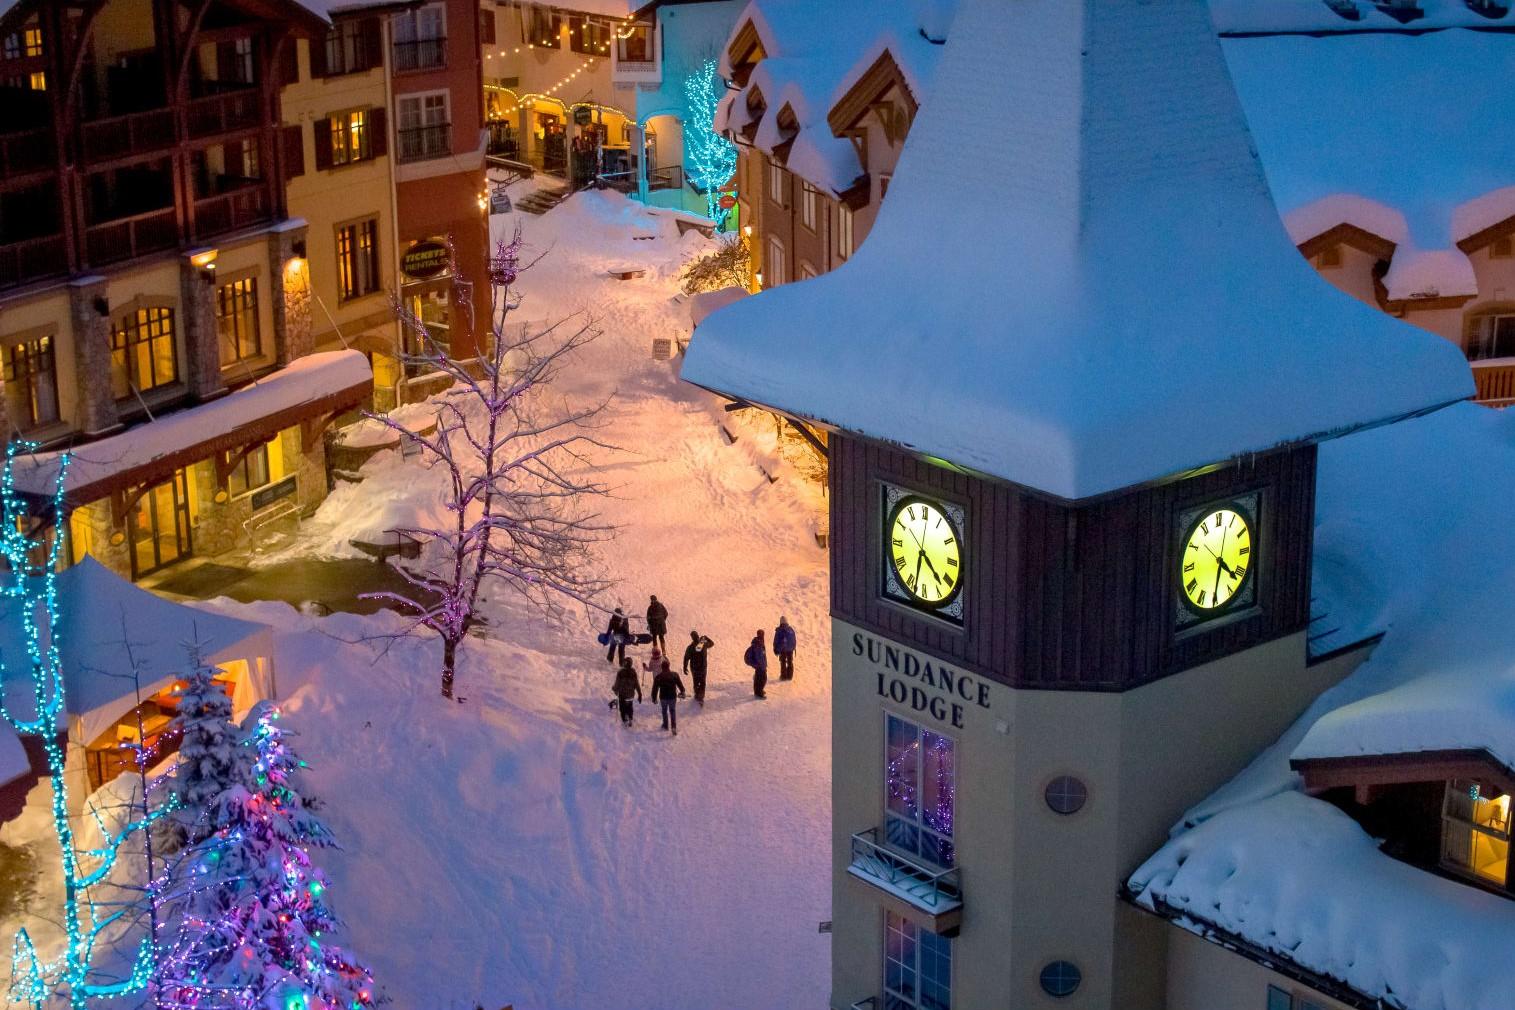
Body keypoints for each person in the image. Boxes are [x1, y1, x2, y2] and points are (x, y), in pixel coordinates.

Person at [649, 659, 687, 735]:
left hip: (663, 697)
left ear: (662, 667)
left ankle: (665, 725)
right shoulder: (674, 675)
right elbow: (680, 685)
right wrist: (682, 691)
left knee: (664, 711)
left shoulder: (658, 677)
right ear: (669, 666)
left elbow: (655, 689)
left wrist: (654, 698)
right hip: (672, 696)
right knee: (672, 711)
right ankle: (673, 727)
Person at [683, 631, 714, 705]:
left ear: (692, 638)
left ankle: (697, 695)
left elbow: (686, 658)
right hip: (703, 668)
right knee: (703, 682)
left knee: (696, 682)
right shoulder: (703, 643)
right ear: (698, 636)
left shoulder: (690, 647)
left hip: (694, 669)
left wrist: (685, 667)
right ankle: (701, 697)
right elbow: (712, 643)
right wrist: (706, 637)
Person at [612, 657, 641, 727]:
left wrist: (615, 689)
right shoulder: (633, 672)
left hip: (622, 694)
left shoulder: (621, 672)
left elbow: (617, 683)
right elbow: (636, 683)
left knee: (622, 707)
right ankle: (630, 718)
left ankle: (624, 719)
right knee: (630, 706)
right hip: (630, 694)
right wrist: (639, 693)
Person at [743, 630, 768, 699]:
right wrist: (755, 664)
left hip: (762, 666)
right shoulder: (755, 645)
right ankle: (758, 693)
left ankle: (759, 690)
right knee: (760, 679)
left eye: (763, 634)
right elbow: (748, 658)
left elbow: (763, 656)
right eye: (761, 635)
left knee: (762, 679)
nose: (762, 636)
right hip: (759, 667)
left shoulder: (762, 643)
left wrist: (765, 664)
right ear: (758, 635)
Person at [773, 616, 797, 681]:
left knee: (783, 662)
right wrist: (793, 647)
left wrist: (775, 649)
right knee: (790, 662)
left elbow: (776, 640)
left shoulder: (779, 630)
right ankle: (790, 676)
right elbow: (794, 639)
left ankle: (783, 676)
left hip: (783, 649)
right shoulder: (791, 629)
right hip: (790, 649)